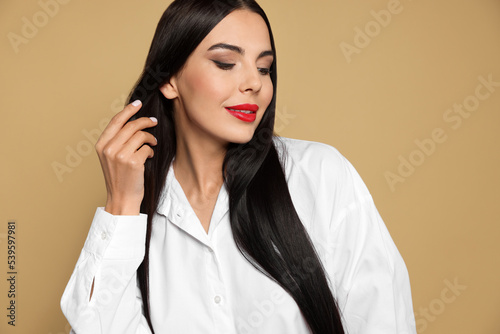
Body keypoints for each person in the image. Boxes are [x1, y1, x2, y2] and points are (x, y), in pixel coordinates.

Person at [60, 0, 417, 333]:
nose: (255, 83)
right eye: (226, 63)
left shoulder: (320, 176)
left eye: (264, 68)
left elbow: (383, 316)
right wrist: (121, 208)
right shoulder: (140, 217)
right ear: (169, 79)